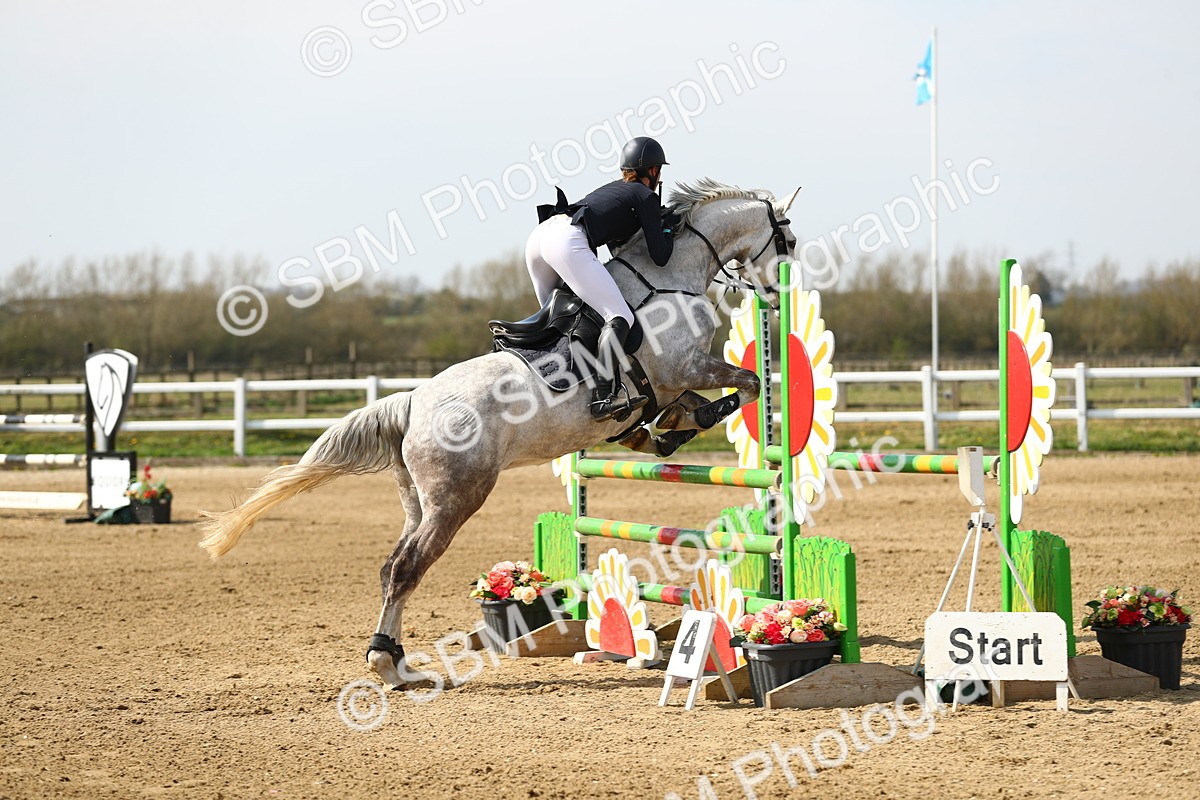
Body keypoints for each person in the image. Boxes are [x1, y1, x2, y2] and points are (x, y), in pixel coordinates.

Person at [524, 136, 681, 422]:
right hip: (565, 240)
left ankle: (549, 386)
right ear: (653, 170)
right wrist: (667, 229)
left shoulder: (615, 191)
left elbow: (617, 246)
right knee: (619, 316)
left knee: (556, 321)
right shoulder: (645, 196)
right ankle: (603, 398)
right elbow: (660, 256)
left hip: (540, 237)